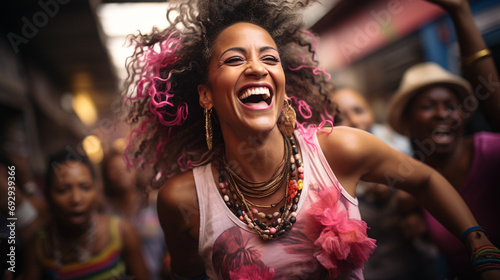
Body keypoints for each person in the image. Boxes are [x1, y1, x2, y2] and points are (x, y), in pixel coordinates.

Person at [123, 0, 500, 279]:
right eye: (235, 60)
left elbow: (423, 178)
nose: (257, 67)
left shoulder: (339, 151)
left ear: (283, 87)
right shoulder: (183, 201)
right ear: (205, 95)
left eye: (270, 59)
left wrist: (479, 244)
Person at [386, 0, 500, 279]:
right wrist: (409, 216)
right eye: (427, 107)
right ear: (407, 122)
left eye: (451, 106)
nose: (442, 115)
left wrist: (459, 11)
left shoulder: (491, 151)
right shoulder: (411, 186)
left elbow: (493, 96)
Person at [329, 87, 443, 280]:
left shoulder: (399, 148)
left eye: (359, 111)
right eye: (340, 119)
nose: (355, 121)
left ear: (371, 111)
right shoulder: (330, 176)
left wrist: (412, 205)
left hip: (424, 266)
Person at [24, 149, 149, 280]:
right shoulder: (38, 246)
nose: (76, 199)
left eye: (85, 187)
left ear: (96, 191)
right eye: (63, 190)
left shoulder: (122, 231)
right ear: (48, 196)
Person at [102, 148, 170, 280]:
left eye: (126, 166)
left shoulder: (154, 204)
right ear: (106, 175)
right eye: (114, 168)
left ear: (136, 170)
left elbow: (173, 240)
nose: (121, 172)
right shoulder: (105, 213)